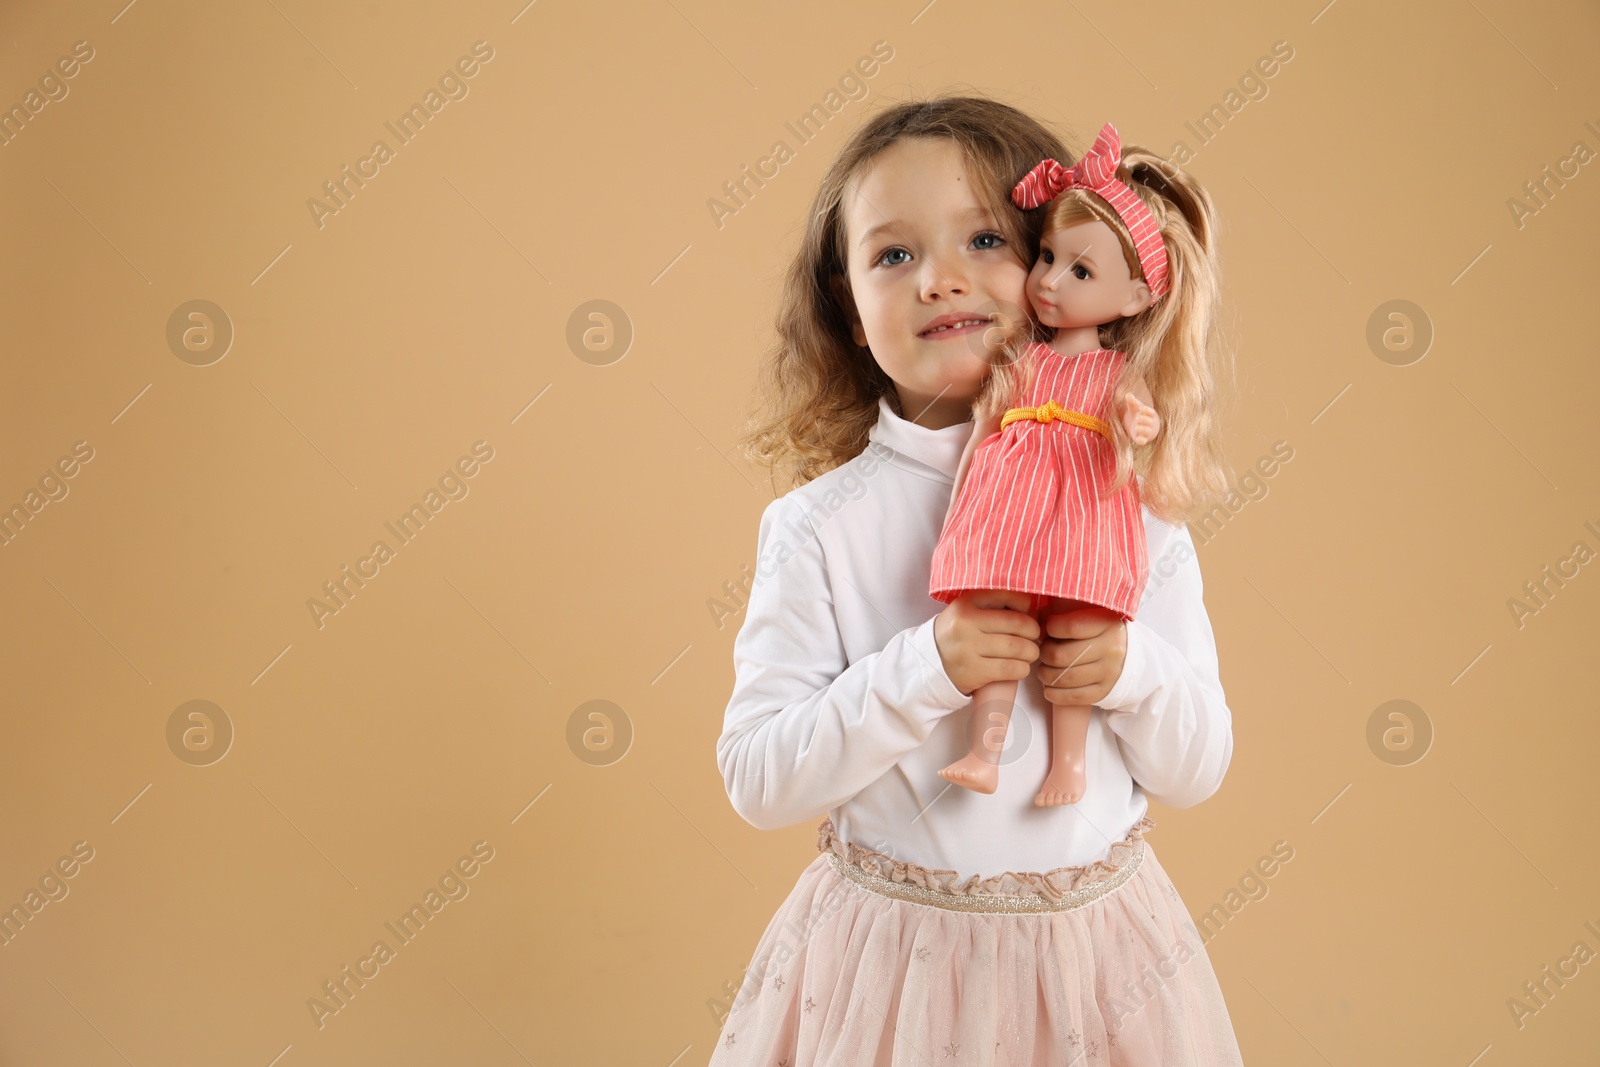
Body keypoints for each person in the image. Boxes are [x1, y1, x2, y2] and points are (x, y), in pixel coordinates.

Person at [713, 95, 1245, 1066]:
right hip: (892, 977)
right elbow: (758, 776)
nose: (941, 278)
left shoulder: (1131, 494)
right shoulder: (817, 526)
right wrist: (927, 667)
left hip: (1098, 972)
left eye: (988, 237)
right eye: (893, 254)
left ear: (1065, 267)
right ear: (846, 300)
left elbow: (1197, 763)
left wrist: (1127, 670)